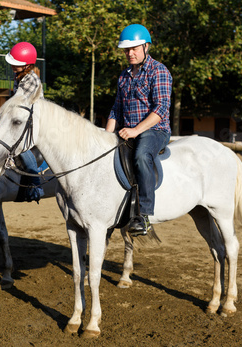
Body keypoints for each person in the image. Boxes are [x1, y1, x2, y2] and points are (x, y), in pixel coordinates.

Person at [105, 24, 173, 237]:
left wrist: (135, 130)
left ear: (146, 46)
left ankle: (143, 215)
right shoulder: (124, 76)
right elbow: (116, 109)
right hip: (128, 130)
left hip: (155, 130)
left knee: (142, 156)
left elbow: (161, 108)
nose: (129, 53)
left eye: (134, 48)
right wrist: (106, 136)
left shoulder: (159, 71)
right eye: (126, 50)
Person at [0, 42, 44, 201]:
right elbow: (11, 103)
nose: (12, 65)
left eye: (16, 64)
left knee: (21, 147)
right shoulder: (19, 76)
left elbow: (15, 106)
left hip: (33, 120)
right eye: (12, 62)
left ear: (27, 65)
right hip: (20, 117)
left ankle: (36, 184)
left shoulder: (31, 80)